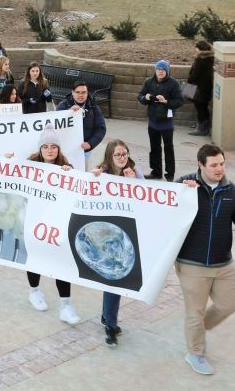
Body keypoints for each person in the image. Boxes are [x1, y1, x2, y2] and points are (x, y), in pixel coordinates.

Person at [176, 144, 235, 376]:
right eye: (214, 165)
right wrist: (182, 192)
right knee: (195, 312)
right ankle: (195, 353)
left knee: (228, 305)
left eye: (222, 163)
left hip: (223, 264)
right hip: (191, 263)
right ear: (200, 165)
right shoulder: (185, 185)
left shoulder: (233, 192)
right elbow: (163, 207)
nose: (219, 169)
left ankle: (198, 332)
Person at [24, 126, 80, 324]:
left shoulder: (67, 167)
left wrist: (69, 175)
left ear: (58, 149)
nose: (49, 150)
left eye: (53, 147)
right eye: (45, 146)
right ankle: (34, 291)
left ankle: (65, 306)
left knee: (60, 261)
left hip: (57, 224)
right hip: (34, 221)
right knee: (35, 257)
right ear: (40, 149)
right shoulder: (30, 165)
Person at [90, 140, 139, 347]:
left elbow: (150, 199)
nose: (122, 158)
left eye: (125, 154)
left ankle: (106, 316)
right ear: (110, 156)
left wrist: (135, 183)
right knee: (114, 278)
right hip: (106, 235)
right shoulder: (101, 174)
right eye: (118, 155)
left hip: (125, 233)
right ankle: (110, 325)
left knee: (115, 279)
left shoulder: (134, 172)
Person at [138, 60, 185, 181]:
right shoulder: (149, 82)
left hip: (166, 123)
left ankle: (170, 174)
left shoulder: (173, 83)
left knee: (168, 148)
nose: (160, 71)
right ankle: (156, 171)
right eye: (158, 69)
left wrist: (166, 101)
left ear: (167, 71)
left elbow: (180, 101)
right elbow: (140, 97)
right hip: (153, 122)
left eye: (163, 69)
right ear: (155, 70)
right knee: (154, 148)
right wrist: (146, 98)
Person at [55, 81, 107, 158]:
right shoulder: (63, 105)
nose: (80, 95)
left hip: (84, 151)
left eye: (83, 92)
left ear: (87, 93)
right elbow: (55, 125)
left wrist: (90, 143)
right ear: (72, 92)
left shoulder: (94, 107)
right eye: (78, 92)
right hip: (65, 150)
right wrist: (68, 112)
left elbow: (101, 128)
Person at [186, 40, 215, 136]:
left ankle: (202, 128)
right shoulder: (210, 58)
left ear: (200, 48)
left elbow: (194, 75)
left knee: (199, 107)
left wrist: (188, 81)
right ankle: (201, 125)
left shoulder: (200, 59)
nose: (195, 49)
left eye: (196, 47)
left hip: (198, 88)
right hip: (206, 87)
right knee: (203, 107)